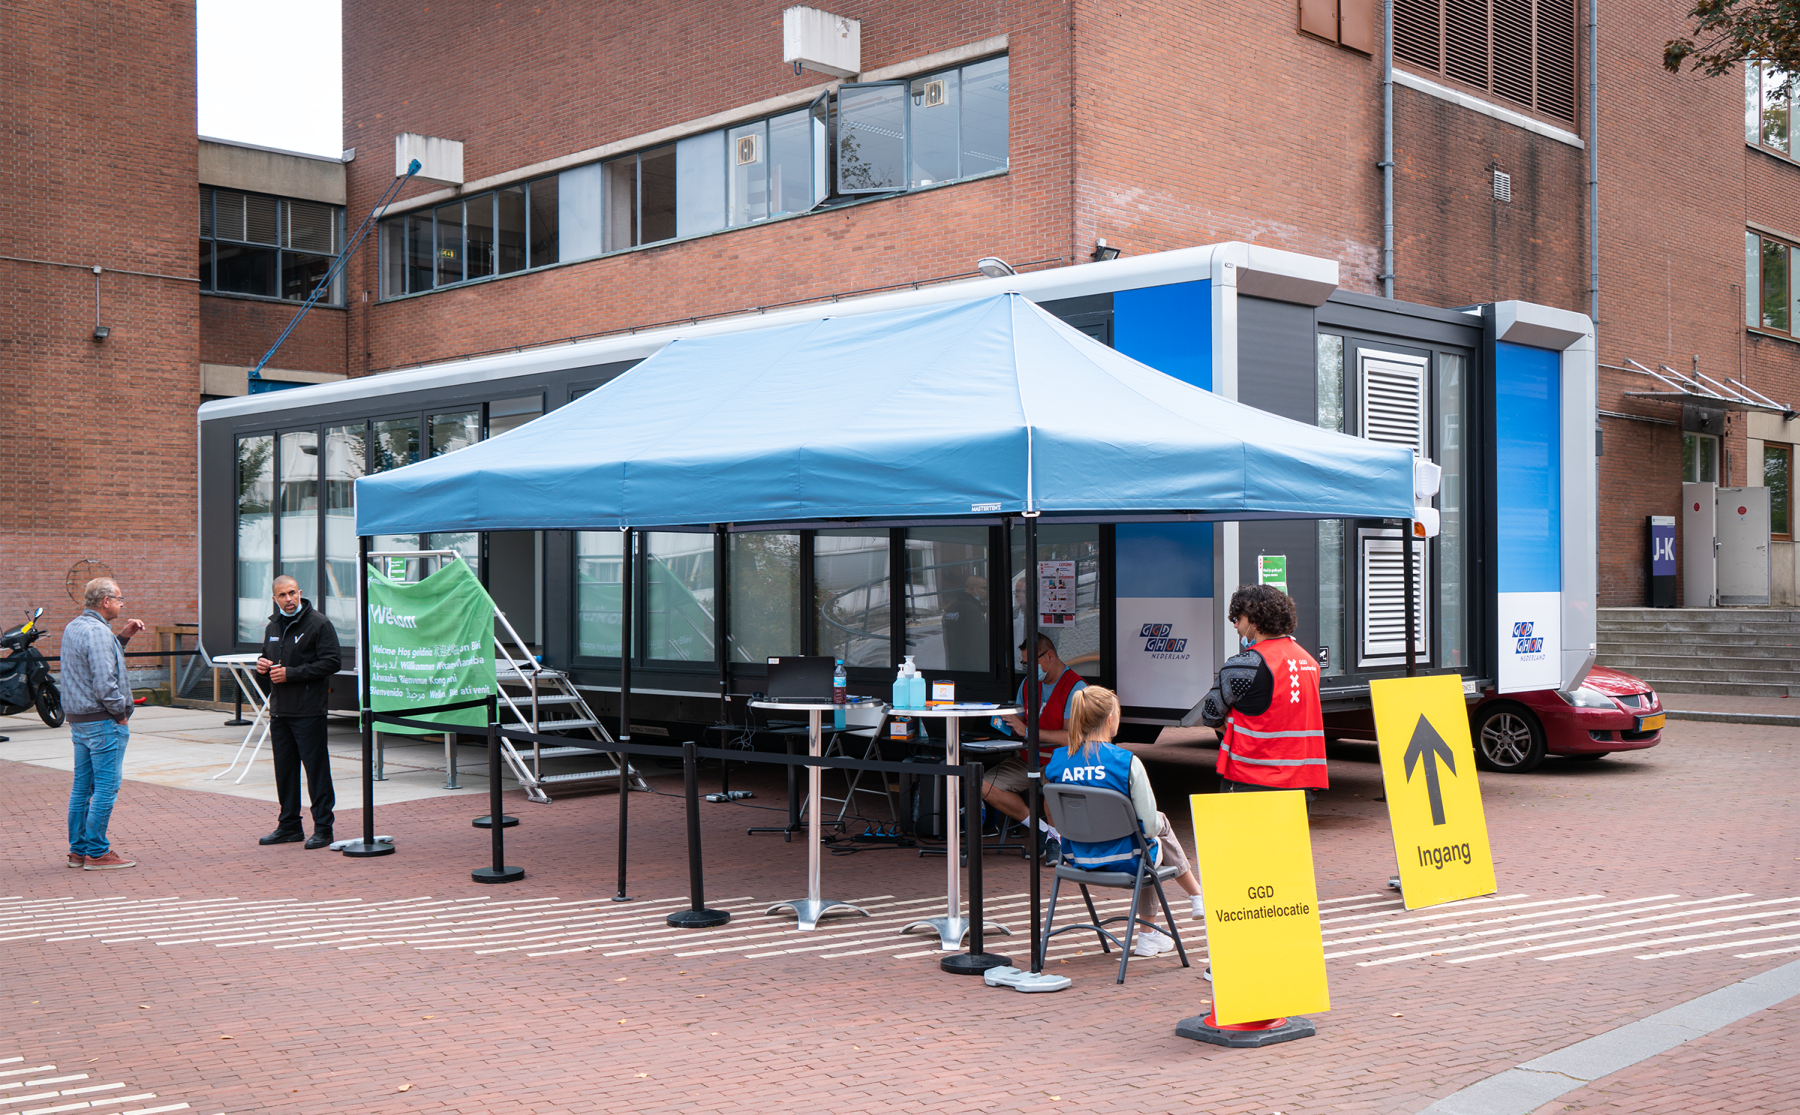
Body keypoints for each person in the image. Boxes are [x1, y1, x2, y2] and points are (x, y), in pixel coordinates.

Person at [1044, 686, 1204, 956]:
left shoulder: (1056, 762)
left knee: (1148, 841)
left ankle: (1151, 934)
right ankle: (1189, 901)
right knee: (1152, 834)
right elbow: (1151, 827)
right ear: (1110, 720)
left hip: (1076, 857)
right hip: (1126, 857)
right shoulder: (1126, 762)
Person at [1199, 584, 1326, 796]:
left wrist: (1227, 729)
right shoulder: (1309, 663)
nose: (1236, 625)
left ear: (1255, 622)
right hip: (1301, 781)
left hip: (1250, 778)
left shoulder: (1242, 665)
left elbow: (1210, 714)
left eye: (1238, 619)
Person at [980, 632, 1086, 860]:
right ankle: (1043, 831)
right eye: (1024, 663)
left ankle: (1056, 841)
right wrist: (1002, 723)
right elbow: (1018, 719)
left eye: (1030, 663)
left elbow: (1070, 738)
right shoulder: (1029, 684)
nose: (1027, 668)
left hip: (1059, 761)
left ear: (1049, 656)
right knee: (985, 785)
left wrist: (1026, 730)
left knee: (1051, 787)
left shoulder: (1075, 687)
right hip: (1028, 759)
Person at [63, 577, 145, 870]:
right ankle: (97, 852)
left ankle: (78, 850)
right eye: (120, 599)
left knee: (82, 788)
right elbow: (104, 680)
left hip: (81, 722)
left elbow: (97, 664)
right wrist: (120, 714)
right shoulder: (97, 632)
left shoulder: (75, 627)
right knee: (106, 788)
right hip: (102, 722)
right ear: (105, 601)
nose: (123, 604)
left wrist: (122, 638)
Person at [256, 575, 341, 849]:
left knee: (316, 772)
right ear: (274, 598)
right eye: (282, 595)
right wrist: (261, 669)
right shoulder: (272, 626)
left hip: (309, 711)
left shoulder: (318, 623)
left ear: (300, 592)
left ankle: (324, 828)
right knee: (285, 771)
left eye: (292, 593)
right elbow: (269, 672)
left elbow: (332, 662)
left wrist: (291, 674)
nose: (288, 599)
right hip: (280, 712)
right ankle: (289, 825)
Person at [940, 574, 989, 672]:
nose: (986, 592)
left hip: (954, 664)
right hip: (972, 667)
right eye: (984, 588)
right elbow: (979, 641)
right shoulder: (972, 610)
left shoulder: (951, 608)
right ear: (972, 589)